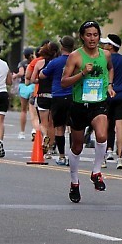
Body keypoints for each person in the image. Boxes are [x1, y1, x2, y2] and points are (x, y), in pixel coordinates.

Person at [61, 21, 115, 203]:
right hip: (79, 105)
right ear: (82, 37)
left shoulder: (105, 55)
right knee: (77, 147)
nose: (92, 38)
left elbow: (110, 69)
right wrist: (83, 73)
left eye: (95, 35)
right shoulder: (75, 57)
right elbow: (64, 82)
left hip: (98, 103)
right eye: (88, 35)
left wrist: (109, 85)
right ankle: (74, 182)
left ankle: (96, 172)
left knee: (101, 135)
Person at [40, 36, 75, 166]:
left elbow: (42, 74)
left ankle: (61, 156)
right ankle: (73, 155)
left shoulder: (55, 62)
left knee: (59, 127)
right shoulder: (77, 60)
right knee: (73, 127)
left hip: (58, 96)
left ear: (61, 47)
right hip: (73, 96)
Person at [103, 34, 122, 169]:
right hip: (120, 95)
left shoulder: (104, 58)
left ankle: (103, 156)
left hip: (106, 95)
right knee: (120, 126)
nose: (103, 46)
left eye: (106, 44)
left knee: (104, 125)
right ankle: (120, 158)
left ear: (111, 46)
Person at [15, 48, 35, 140]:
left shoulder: (22, 63)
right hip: (32, 85)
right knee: (32, 110)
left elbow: (21, 73)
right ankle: (34, 129)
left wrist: (15, 75)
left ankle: (22, 132)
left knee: (23, 110)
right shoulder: (36, 62)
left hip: (23, 86)